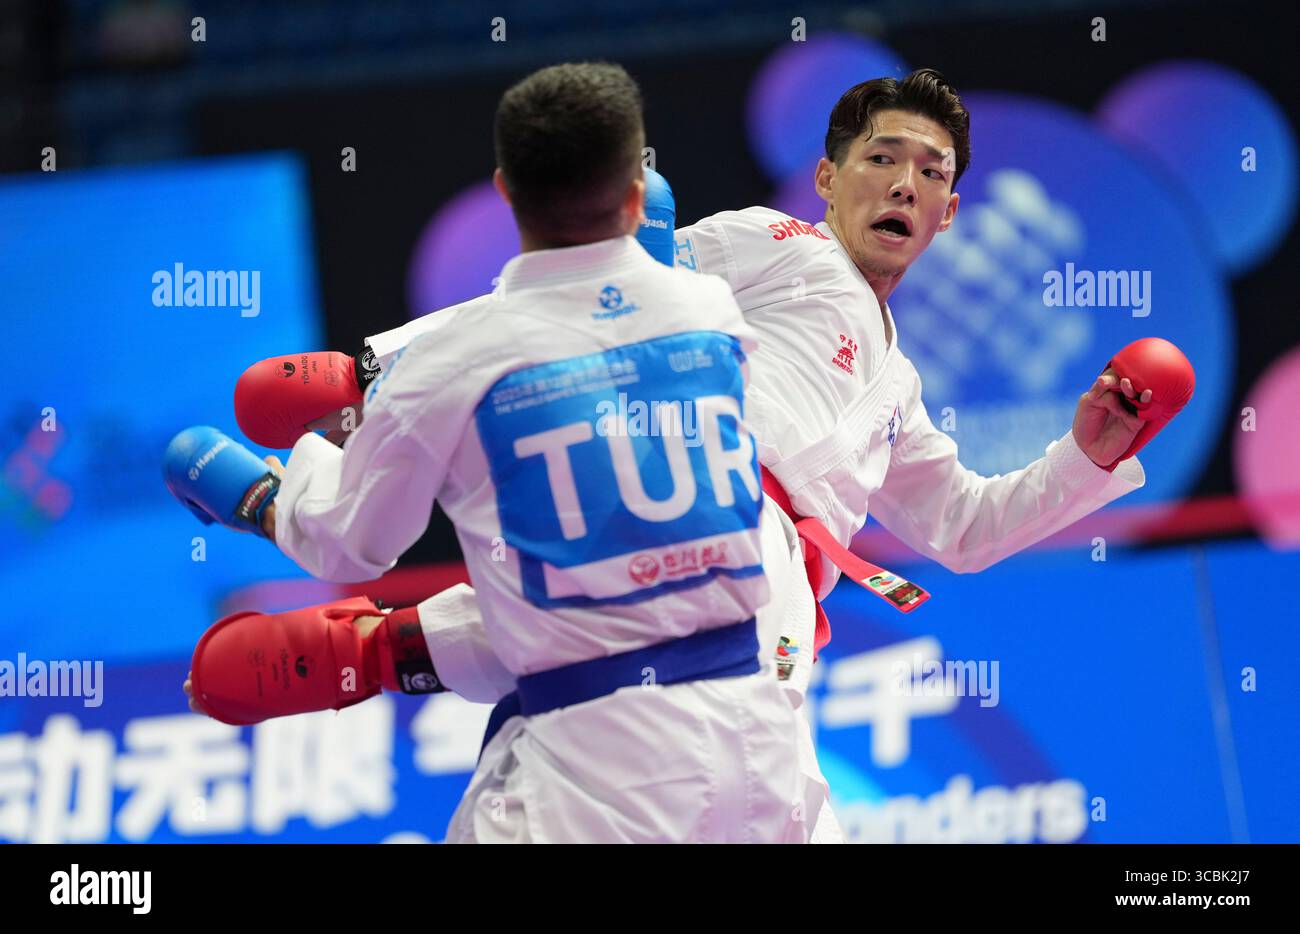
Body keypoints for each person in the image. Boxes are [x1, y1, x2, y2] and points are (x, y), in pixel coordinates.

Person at [184, 68, 1194, 843]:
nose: (906, 183)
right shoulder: (780, 244)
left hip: (767, 609)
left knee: (601, 634)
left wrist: (1085, 457)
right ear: (828, 178)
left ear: (949, 214)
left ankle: (377, 648)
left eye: (932, 174)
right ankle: (372, 638)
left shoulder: (901, 393)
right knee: (608, 604)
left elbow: (965, 530)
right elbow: (577, 284)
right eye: (883, 157)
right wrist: (369, 368)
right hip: (701, 512)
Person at [166, 61, 816, 844]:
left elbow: (352, 541)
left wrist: (267, 499)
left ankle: (376, 645)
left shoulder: (455, 362)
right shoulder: (712, 311)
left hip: (600, 775)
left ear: (504, 189)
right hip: (763, 748)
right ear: (637, 195)